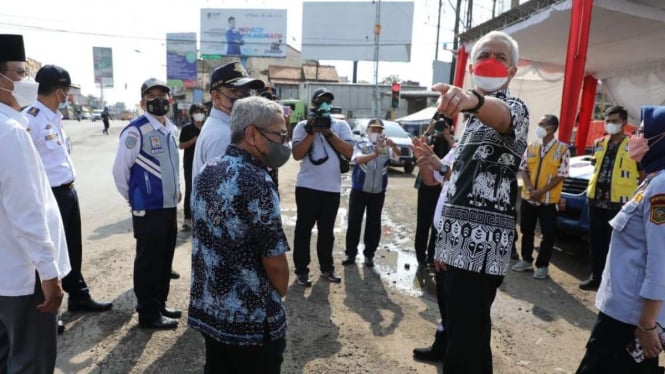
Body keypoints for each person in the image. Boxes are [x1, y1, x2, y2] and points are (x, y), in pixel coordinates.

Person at [428, 30, 529, 373]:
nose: (491, 61)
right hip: (457, 243)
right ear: (471, 66)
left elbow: (502, 116)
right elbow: (456, 186)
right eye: (485, 54)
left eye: (501, 57)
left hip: (482, 247)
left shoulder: (514, 107)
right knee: (459, 332)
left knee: (469, 342)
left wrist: (473, 100)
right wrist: (445, 240)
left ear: (513, 71)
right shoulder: (469, 125)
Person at [188, 96, 290, 374]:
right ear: (252, 134)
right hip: (252, 320)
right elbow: (274, 260)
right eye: (280, 134)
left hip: (212, 311)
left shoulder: (208, 170)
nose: (284, 141)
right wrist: (281, 291)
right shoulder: (256, 180)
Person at [0, 33, 71, 374]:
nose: (27, 81)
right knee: (31, 362)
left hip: (5, 275)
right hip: (23, 278)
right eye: (19, 73)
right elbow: (27, 213)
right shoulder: (9, 133)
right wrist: (49, 273)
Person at [576, 105, 665, 373]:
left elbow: (660, 260)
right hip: (623, 311)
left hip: (630, 319)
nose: (635, 136)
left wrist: (648, 325)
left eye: (642, 131)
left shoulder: (661, 186)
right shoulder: (651, 180)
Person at [24, 64, 113, 315]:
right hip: (49, 196)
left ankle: (78, 296)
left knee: (72, 247)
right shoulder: (31, 119)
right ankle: (48, 307)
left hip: (67, 191)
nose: (67, 96)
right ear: (60, 92)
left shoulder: (54, 118)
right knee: (49, 252)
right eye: (66, 91)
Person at [112, 78, 182, 329]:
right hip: (148, 208)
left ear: (170, 100)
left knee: (164, 259)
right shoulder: (136, 130)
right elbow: (121, 172)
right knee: (149, 261)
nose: (158, 100)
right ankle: (147, 313)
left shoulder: (169, 129)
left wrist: (176, 190)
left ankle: (160, 304)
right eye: (151, 96)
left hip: (168, 206)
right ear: (142, 102)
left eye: (162, 95)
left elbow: (173, 167)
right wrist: (135, 198)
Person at [291, 88, 354, 286]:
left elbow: (350, 152)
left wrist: (328, 132)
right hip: (307, 187)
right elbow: (297, 154)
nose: (324, 107)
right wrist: (311, 133)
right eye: (320, 103)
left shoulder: (341, 126)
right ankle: (301, 270)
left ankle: (327, 268)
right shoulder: (302, 126)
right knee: (303, 230)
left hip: (331, 189)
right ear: (313, 105)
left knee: (327, 232)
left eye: (327, 103)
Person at [579, 105, 644, 291]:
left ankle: (612, 283)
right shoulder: (600, 143)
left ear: (624, 122)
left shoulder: (634, 144)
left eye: (614, 121)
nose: (609, 124)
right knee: (596, 242)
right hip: (596, 200)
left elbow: (643, 175)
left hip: (620, 204)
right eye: (607, 121)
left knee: (615, 246)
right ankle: (596, 277)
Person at [411, 121, 456, 363]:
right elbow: (432, 180)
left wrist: (438, 163)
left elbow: (458, 177)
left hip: (462, 237)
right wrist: (424, 160)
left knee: (458, 299)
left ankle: (456, 352)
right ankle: (442, 345)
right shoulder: (458, 149)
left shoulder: (483, 150)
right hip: (444, 235)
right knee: (444, 295)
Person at [512, 115, 570, 279]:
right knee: (526, 230)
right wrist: (530, 188)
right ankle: (526, 260)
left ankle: (542, 266)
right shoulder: (532, 146)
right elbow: (523, 168)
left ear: (551, 128)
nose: (539, 127)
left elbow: (561, 175)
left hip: (548, 201)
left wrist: (541, 192)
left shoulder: (562, 150)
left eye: (542, 124)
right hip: (529, 197)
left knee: (548, 233)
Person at [192, 61, 263, 179]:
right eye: (236, 91)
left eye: (246, 91)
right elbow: (221, 190)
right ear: (216, 96)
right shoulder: (222, 135)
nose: (244, 97)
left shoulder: (224, 127)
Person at [342, 118, 399, 267]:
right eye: (373, 129)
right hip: (359, 190)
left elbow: (397, 156)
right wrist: (374, 154)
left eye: (379, 130)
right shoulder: (361, 144)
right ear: (367, 131)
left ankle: (369, 255)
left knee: (374, 224)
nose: (376, 132)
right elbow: (357, 160)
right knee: (354, 222)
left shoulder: (386, 147)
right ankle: (351, 254)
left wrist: (394, 146)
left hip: (378, 192)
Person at [414, 114, 453, 268]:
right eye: (438, 124)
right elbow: (418, 147)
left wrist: (447, 135)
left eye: (444, 125)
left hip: (443, 187)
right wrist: (429, 131)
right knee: (423, 222)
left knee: (437, 224)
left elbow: (456, 150)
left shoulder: (453, 142)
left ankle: (432, 256)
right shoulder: (429, 138)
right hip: (426, 184)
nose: (440, 128)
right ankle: (420, 256)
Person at [178, 103, 206, 231]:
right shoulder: (186, 129)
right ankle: (188, 219)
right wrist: (193, 141)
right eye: (196, 112)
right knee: (190, 190)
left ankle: (203, 217)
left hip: (205, 164)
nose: (199, 114)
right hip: (190, 164)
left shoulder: (207, 128)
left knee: (205, 190)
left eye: (201, 111)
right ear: (192, 114)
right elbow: (181, 145)